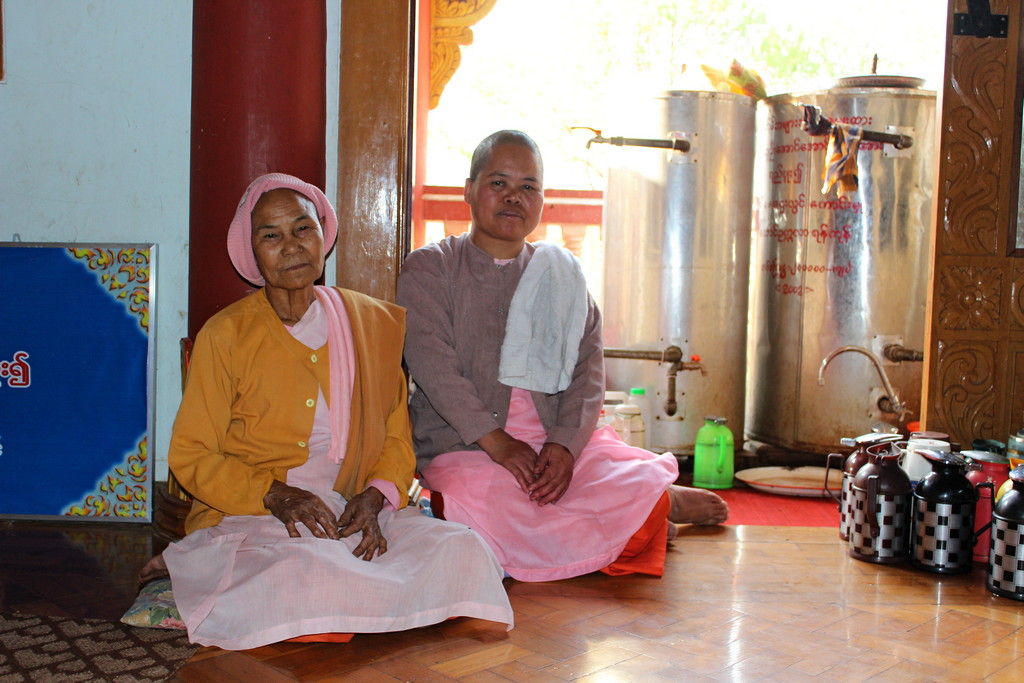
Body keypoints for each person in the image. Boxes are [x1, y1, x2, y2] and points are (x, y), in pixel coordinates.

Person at [146, 173, 513, 650]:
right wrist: (275, 495)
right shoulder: (226, 335)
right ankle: (211, 567)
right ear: (252, 253)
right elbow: (192, 455)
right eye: (271, 236)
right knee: (305, 569)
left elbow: (396, 436)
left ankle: (349, 595)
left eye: (303, 228)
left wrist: (377, 497)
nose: (291, 246)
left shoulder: (371, 324)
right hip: (259, 515)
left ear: (324, 235)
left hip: (351, 508)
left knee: (463, 548)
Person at [396, 131, 729, 582]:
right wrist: (498, 442)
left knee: (612, 479)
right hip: (468, 449)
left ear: (542, 200)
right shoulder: (430, 269)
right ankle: (641, 519)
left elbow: (589, 372)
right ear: (469, 190)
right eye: (498, 183)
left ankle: (652, 503)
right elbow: (434, 368)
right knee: (473, 509)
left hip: (556, 443)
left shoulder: (561, 274)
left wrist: (564, 447)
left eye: (528, 187)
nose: (514, 197)